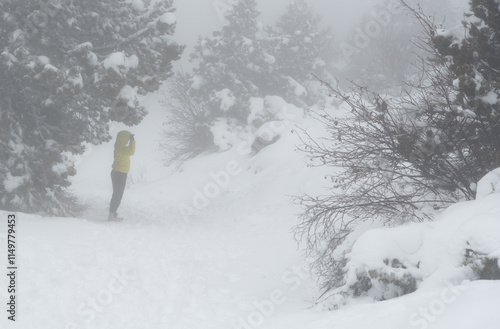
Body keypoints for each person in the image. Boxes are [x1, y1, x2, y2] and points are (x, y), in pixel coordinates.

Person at [109, 130, 135, 221]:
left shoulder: (119, 147)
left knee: (116, 194)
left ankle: (113, 213)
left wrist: (131, 140)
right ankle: (111, 215)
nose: (128, 141)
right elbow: (132, 151)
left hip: (117, 173)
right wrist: (133, 141)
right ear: (123, 138)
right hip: (120, 173)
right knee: (117, 195)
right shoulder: (122, 148)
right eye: (127, 139)